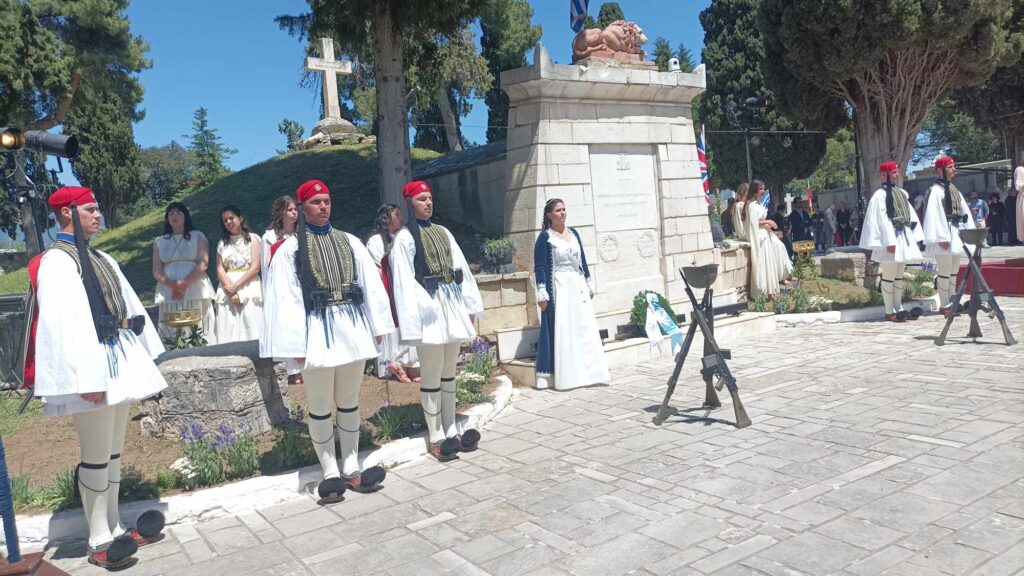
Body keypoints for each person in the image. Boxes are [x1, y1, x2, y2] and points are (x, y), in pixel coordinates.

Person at [26, 187, 167, 569]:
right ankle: (97, 538)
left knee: (114, 451)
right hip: (91, 368)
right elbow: (62, 324)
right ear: (67, 213)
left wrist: (148, 351)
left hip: (118, 358)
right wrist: (84, 378)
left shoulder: (100, 256)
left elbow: (128, 303)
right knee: (95, 456)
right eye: (90, 209)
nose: (98, 214)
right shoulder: (58, 261)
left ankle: (116, 525)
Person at [261, 180, 393, 502]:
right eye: (316, 202)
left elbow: (370, 284)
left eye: (327, 201)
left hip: (351, 326)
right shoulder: (291, 249)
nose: (323, 206)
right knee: (320, 406)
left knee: (349, 401)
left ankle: (350, 466)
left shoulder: (349, 241)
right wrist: (296, 347)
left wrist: (377, 325)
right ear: (303, 207)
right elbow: (287, 299)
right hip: (316, 333)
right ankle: (329, 469)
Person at [390, 180, 484, 462]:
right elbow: (404, 282)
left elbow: (461, 269)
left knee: (448, 372)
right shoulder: (405, 239)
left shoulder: (443, 232)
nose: (428, 203)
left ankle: (451, 427)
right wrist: (420, 312)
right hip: (429, 311)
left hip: (450, 305)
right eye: (421, 199)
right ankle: (436, 435)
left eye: (429, 198)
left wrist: (469, 304)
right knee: (430, 375)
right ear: (410, 203)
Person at [533, 198, 610, 391]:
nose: (563, 213)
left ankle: (590, 371)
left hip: (577, 285)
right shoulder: (545, 237)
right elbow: (540, 266)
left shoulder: (574, 233)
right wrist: (542, 292)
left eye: (564, 209)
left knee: (583, 326)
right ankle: (556, 374)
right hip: (559, 286)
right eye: (558, 210)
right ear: (550, 215)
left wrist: (589, 282)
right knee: (561, 327)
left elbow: (581, 260)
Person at [860, 162, 924, 322]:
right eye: (894, 172)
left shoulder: (901, 193)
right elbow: (881, 220)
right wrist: (889, 241)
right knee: (888, 276)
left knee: (899, 275)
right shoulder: (879, 196)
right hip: (889, 241)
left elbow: (910, 215)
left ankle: (898, 307)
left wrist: (915, 235)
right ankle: (889, 311)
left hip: (902, 239)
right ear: (884, 175)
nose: (897, 174)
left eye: (897, 172)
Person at [366, 203, 420, 383]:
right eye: (396, 214)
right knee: (392, 329)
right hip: (386, 289)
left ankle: (408, 364)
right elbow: (376, 268)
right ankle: (393, 364)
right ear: (386, 218)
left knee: (404, 326)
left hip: (400, 289)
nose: (401, 217)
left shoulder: (399, 237)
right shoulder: (376, 241)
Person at [152, 202, 217, 343]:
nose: (174, 216)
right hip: (169, 290)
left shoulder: (198, 236)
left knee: (198, 322)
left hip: (195, 287)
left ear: (185, 217)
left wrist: (184, 284)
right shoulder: (159, 241)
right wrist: (172, 284)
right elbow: (157, 271)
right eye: (171, 213)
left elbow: (203, 263)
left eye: (178, 213)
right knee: (172, 325)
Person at [923, 155, 979, 316]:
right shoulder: (935, 191)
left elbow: (964, 212)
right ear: (940, 170)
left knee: (954, 271)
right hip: (943, 234)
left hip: (955, 233)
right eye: (950, 167)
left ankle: (952, 302)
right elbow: (933, 216)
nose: (954, 169)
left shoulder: (954, 189)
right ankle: (944, 305)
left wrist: (970, 232)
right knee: (944, 271)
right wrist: (941, 238)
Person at [261, 196, 302, 385]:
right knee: (286, 323)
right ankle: (290, 370)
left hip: (300, 285)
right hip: (281, 287)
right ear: (281, 213)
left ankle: (303, 368)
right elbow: (266, 267)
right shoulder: (269, 237)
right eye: (289, 210)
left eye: (295, 209)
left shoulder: (303, 234)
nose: (294, 212)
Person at [215, 205, 263, 343]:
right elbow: (219, 269)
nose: (229, 222)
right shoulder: (222, 243)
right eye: (225, 220)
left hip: (249, 286)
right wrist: (230, 290)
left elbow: (255, 267)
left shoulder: (253, 239)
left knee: (251, 324)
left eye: (231, 218)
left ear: (240, 218)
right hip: (227, 288)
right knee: (229, 327)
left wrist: (236, 286)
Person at [743, 180, 782, 297]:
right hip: (759, 238)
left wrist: (769, 228)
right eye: (760, 189)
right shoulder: (751, 205)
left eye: (763, 189)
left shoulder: (759, 205)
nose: (763, 191)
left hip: (765, 235)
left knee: (769, 264)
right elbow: (754, 222)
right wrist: (768, 221)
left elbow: (760, 222)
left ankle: (771, 291)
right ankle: (763, 292)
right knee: (763, 265)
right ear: (754, 191)